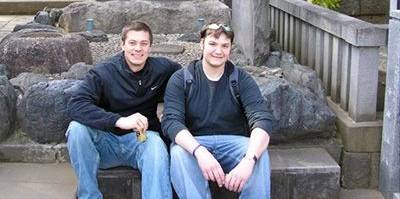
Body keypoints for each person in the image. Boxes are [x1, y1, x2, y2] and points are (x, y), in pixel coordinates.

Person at [66, 21, 181, 199]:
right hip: (104, 143)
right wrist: (119, 121)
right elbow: (76, 104)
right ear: (122, 44)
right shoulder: (103, 72)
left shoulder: (163, 69)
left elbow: (185, 81)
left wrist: (169, 106)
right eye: (132, 43)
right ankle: (89, 196)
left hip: (141, 141)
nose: (138, 49)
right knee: (77, 129)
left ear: (150, 47)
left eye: (143, 44)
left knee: (156, 142)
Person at [162, 23, 274, 199]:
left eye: (225, 46)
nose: (218, 51)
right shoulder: (182, 78)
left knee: (259, 154)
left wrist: (248, 161)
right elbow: (171, 122)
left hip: (234, 142)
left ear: (230, 49)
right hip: (195, 142)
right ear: (202, 44)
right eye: (213, 44)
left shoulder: (241, 79)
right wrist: (200, 151)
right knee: (178, 152)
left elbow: (262, 119)